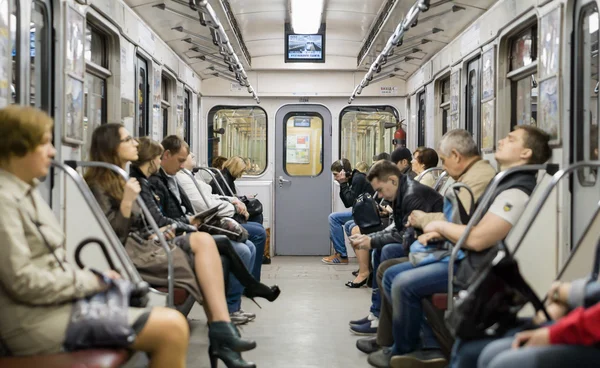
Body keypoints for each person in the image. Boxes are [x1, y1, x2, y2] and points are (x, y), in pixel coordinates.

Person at [0, 106, 189, 368]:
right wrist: (91, 281)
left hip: (55, 306)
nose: (53, 152)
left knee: (164, 317)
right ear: (16, 148)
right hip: (33, 322)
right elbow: (23, 281)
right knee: (171, 328)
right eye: (44, 144)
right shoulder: (5, 202)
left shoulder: (27, 191)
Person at [367, 126, 552, 368]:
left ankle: (419, 348)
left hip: (479, 265)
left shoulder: (515, 190)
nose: (501, 140)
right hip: (471, 256)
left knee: (402, 281)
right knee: (394, 273)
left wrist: (439, 229)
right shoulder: (503, 181)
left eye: (511, 139)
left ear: (526, 152)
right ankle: (417, 345)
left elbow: (477, 238)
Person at [85, 126, 258, 367]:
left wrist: (158, 231)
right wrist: (127, 203)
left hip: (145, 242)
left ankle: (222, 331)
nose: (134, 143)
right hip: (131, 253)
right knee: (208, 250)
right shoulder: (99, 183)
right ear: (111, 148)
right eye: (127, 140)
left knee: (204, 240)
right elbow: (114, 235)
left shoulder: (121, 179)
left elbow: (141, 223)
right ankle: (222, 335)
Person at [143, 136, 264, 325]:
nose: (183, 165)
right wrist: (189, 222)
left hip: (186, 228)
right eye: (181, 160)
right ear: (164, 156)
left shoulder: (172, 178)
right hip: (174, 235)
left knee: (247, 243)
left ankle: (230, 308)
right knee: (241, 249)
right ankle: (225, 313)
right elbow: (160, 219)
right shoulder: (155, 183)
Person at [347, 160, 443, 336]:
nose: (381, 196)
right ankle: (375, 314)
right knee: (381, 249)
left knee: (387, 250)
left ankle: (381, 319)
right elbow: (398, 228)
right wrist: (370, 238)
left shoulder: (412, 196)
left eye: (380, 190)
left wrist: (372, 241)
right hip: (418, 242)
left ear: (392, 180)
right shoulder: (401, 192)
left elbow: (404, 233)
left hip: (432, 246)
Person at [178, 152, 267, 283]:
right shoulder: (185, 179)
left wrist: (235, 201)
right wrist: (235, 207)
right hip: (210, 221)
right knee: (258, 233)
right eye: (190, 155)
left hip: (217, 214)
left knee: (257, 226)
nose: (193, 154)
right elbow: (205, 206)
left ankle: (250, 279)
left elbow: (213, 198)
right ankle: (250, 280)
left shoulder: (193, 177)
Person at [323, 158, 374, 265]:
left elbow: (350, 201)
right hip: (359, 212)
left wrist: (343, 183)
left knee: (334, 218)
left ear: (344, 172)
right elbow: (347, 203)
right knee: (333, 217)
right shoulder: (351, 179)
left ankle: (342, 256)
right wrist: (343, 184)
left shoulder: (358, 179)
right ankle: (341, 254)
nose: (335, 177)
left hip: (367, 214)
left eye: (336, 174)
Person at [210, 156, 264, 225]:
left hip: (230, 208)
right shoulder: (222, 180)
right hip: (226, 214)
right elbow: (225, 200)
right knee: (257, 214)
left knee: (257, 210)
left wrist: (244, 198)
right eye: (241, 171)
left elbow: (229, 196)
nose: (241, 174)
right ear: (236, 169)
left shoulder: (226, 177)